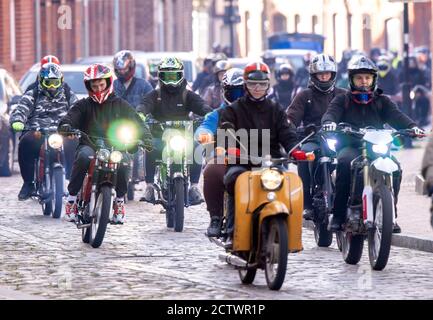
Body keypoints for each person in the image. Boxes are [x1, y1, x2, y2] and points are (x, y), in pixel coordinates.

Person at [321, 55, 425, 233]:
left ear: (373, 79)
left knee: (396, 168)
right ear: (352, 80)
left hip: (375, 146)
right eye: (359, 78)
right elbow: (331, 114)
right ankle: (338, 215)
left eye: (367, 78)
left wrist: (413, 127)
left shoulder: (382, 101)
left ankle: (390, 214)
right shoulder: (342, 100)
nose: (363, 82)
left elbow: (397, 116)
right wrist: (329, 122)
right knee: (345, 163)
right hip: (350, 145)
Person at [219, 62, 306, 247]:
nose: (257, 88)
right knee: (234, 179)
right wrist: (231, 147)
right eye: (252, 84)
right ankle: (231, 229)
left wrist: (295, 149)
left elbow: (286, 132)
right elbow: (226, 130)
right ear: (245, 85)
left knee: (287, 182)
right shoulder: (232, 110)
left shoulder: (276, 109)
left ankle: (289, 232)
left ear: (268, 85)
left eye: (262, 84)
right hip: (242, 160)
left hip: (271, 160)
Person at [58, 63, 152, 224]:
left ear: (108, 83)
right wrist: (66, 127)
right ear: (89, 86)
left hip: (116, 146)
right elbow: (69, 118)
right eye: (94, 86)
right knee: (83, 157)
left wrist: (146, 137)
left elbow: (137, 121)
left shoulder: (120, 104)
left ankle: (119, 202)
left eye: (101, 85)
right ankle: (72, 200)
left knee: (124, 162)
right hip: (89, 144)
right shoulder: (83, 104)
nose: (99, 89)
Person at [137, 57, 212, 205]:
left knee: (197, 146)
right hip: (160, 135)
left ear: (181, 75)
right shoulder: (155, 94)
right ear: (160, 77)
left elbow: (200, 104)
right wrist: (140, 113)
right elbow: (145, 104)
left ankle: (194, 186)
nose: (171, 80)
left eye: (174, 76)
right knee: (149, 146)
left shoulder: (187, 94)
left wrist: (209, 113)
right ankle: (150, 186)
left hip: (184, 135)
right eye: (167, 76)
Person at [287, 53, 347, 221]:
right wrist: (289, 128)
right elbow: (291, 117)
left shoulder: (343, 95)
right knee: (305, 156)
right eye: (320, 74)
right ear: (313, 76)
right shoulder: (304, 96)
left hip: (340, 139)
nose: (324, 77)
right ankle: (306, 202)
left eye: (327, 73)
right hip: (313, 138)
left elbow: (355, 115)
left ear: (333, 74)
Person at [10, 63, 78, 200]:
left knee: (75, 141)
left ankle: (73, 179)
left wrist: (79, 123)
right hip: (37, 131)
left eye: (55, 83)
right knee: (25, 143)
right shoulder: (33, 92)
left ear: (61, 81)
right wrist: (18, 121)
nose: (52, 87)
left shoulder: (66, 92)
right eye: (48, 83)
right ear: (41, 81)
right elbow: (22, 108)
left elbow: (77, 109)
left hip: (62, 131)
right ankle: (28, 183)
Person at [195, 68, 245, 237]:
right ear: (225, 92)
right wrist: (205, 135)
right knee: (212, 170)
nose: (238, 97)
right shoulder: (217, 114)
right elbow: (204, 127)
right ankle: (216, 217)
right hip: (225, 157)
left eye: (242, 92)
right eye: (234, 92)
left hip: (255, 158)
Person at [113, 50, 153, 187]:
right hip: (117, 124)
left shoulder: (143, 85)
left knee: (142, 148)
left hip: (137, 124)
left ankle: (140, 175)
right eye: (120, 70)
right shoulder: (113, 85)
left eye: (125, 69)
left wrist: (149, 116)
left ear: (131, 68)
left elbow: (151, 101)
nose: (122, 72)